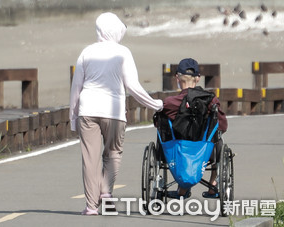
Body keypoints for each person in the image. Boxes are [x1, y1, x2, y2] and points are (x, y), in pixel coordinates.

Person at [69, 12, 163, 215]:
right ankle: (105, 191)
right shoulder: (123, 52)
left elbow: (76, 88)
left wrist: (73, 118)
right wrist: (155, 104)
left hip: (88, 110)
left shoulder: (86, 52)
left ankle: (91, 206)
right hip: (114, 112)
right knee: (113, 153)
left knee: (90, 159)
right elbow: (133, 86)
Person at [161, 58, 228, 198]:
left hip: (177, 152)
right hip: (205, 152)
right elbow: (222, 126)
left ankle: (182, 190)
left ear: (177, 78)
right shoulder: (211, 100)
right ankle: (213, 185)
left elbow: (160, 126)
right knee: (218, 141)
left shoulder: (169, 103)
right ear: (198, 78)